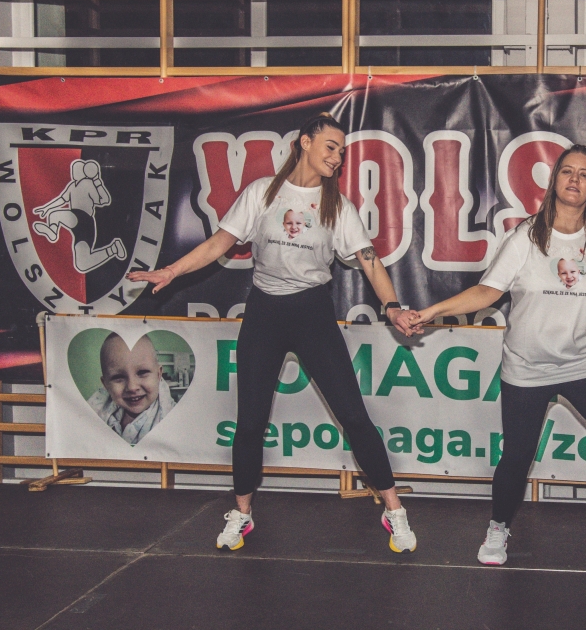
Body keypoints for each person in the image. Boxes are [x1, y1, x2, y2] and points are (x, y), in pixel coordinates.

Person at [127, 113, 419, 553]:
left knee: (355, 417)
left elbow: (369, 260)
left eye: (342, 152)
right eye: (331, 147)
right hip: (264, 313)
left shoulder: (338, 207)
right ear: (305, 142)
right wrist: (171, 271)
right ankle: (241, 513)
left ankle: (393, 509)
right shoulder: (262, 192)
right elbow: (219, 243)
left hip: (313, 314)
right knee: (249, 422)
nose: (337, 158)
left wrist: (392, 307)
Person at [407, 144, 586, 570]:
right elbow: (487, 292)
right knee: (516, 457)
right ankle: (499, 526)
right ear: (555, 180)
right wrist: (431, 312)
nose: (575, 179)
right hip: (526, 368)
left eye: (584, 174)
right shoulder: (527, 236)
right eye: (567, 171)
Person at [87, 332, 175, 445]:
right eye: (118, 377)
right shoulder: (96, 412)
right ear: (106, 384)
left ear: (158, 374)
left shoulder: (173, 418)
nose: (132, 387)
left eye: (142, 372)